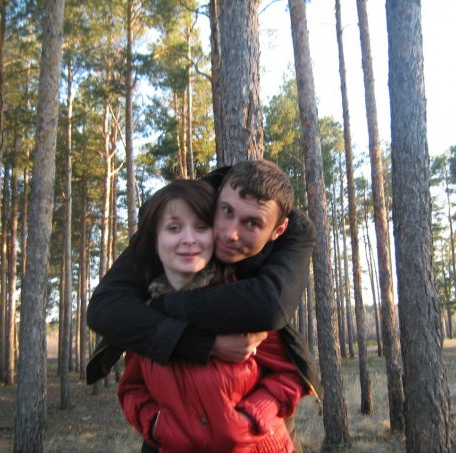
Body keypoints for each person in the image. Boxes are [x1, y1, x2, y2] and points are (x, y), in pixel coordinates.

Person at [87, 160, 322, 451]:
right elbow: (128, 375)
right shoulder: (166, 234)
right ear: (215, 200)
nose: (230, 233)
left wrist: (252, 418)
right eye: (226, 212)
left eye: (252, 223)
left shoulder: (260, 281)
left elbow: (281, 345)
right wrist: (159, 426)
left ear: (278, 230)